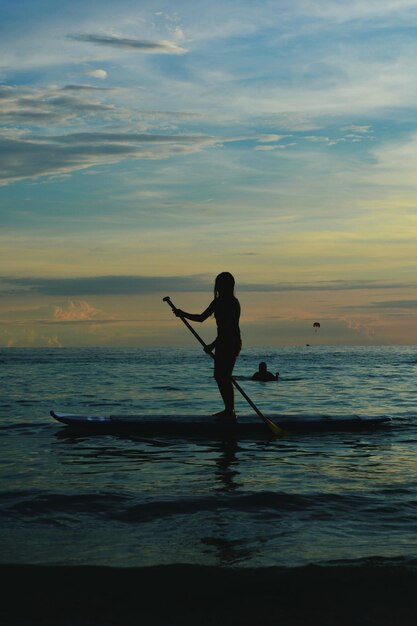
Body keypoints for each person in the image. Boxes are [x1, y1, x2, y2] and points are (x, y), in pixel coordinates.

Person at [173, 272, 241, 421]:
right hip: (223, 342)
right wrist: (182, 313)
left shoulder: (232, 303)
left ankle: (230, 411)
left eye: (221, 284)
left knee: (224, 376)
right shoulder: (217, 302)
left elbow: (228, 329)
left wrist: (212, 345)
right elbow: (201, 318)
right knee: (220, 376)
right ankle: (229, 410)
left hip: (231, 342)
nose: (219, 287)